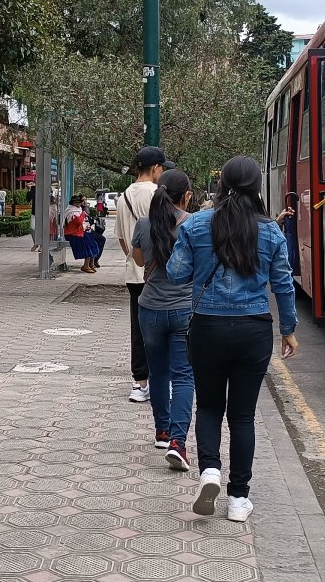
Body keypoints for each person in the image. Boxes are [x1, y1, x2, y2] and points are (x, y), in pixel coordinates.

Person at [167, 156, 299, 524]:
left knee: (209, 406)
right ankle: (239, 499)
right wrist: (288, 328)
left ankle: (209, 471)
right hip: (253, 330)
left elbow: (177, 275)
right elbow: (284, 284)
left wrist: (183, 242)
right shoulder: (271, 231)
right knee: (242, 416)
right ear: (258, 187)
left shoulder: (196, 224)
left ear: (222, 184)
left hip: (207, 327)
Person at [129, 169, 194, 471]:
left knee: (158, 373)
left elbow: (140, 260)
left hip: (150, 308)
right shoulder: (192, 225)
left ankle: (162, 431)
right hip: (183, 310)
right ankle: (178, 442)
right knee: (183, 375)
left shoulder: (144, 223)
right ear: (187, 196)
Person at [116, 146, 174, 403]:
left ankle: (139, 384)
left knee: (138, 330)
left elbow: (122, 239)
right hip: (159, 273)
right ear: (155, 169)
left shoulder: (123, 196)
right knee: (167, 328)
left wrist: (134, 257)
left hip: (133, 272)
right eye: (162, 168)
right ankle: (166, 382)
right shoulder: (160, 194)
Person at [63, 195, 100, 274]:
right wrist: (83, 214)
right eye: (76, 202)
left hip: (80, 231)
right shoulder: (71, 211)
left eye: (79, 202)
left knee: (92, 242)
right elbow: (79, 221)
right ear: (72, 203)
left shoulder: (78, 210)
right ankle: (85, 265)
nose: (78, 204)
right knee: (87, 244)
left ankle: (91, 263)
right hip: (72, 233)